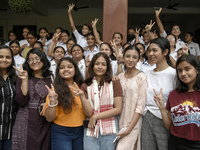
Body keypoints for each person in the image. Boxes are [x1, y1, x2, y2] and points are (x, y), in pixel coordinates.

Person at [72, 52, 123, 150]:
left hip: (110, 129)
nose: (100, 67)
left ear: (108, 67)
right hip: (91, 129)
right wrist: (82, 97)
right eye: (97, 64)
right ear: (92, 66)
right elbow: (88, 113)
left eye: (103, 64)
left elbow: (118, 109)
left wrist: (96, 116)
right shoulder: (85, 85)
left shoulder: (114, 82)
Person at [154, 54, 200, 150]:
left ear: (197, 70)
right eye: (179, 70)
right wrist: (162, 108)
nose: (183, 73)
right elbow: (168, 126)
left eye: (187, 69)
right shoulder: (174, 94)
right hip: (175, 143)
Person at [12, 48, 52, 150]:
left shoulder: (51, 78)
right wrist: (24, 80)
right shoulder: (22, 77)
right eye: (30, 60)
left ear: (43, 59)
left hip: (44, 122)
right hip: (26, 122)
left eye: (37, 58)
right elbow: (22, 101)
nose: (34, 62)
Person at [141, 37, 177, 150]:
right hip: (146, 118)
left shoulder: (174, 74)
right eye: (149, 50)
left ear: (165, 52)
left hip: (165, 119)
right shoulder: (146, 74)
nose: (151, 54)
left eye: (155, 50)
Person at [44, 57, 85, 150]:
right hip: (61, 132)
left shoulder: (83, 87)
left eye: (69, 67)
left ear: (75, 69)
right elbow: (49, 118)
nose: (66, 69)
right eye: (62, 67)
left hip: (81, 131)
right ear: (58, 71)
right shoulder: (54, 91)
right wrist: (53, 101)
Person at [116, 45, 147, 150]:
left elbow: (140, 106)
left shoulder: (141, 77)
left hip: (133, 123)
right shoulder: (120, 76)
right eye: (128, 56)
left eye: (134, 57)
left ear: (138, 59)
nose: (130, 60)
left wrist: (129, 129)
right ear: (123, 57)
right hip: (119, 122)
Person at [0, 45, 17, 150]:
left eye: (8, 57)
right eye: (1, 57)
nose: (4, 60)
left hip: (10, 131)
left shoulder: (15, 78)